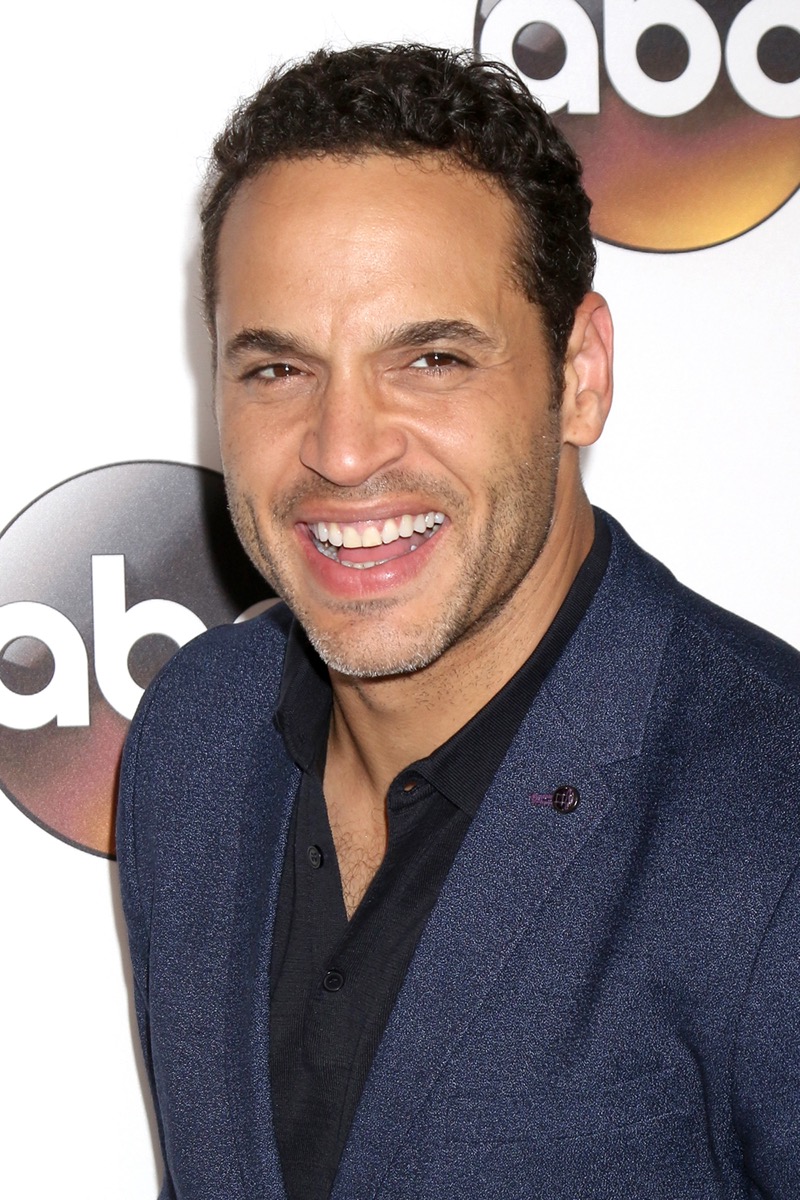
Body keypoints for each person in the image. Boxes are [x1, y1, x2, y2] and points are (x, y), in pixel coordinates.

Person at [117, 43, 800, 1200]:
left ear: (577, 374)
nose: (342, 451)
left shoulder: (769, 808)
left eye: (430, 359)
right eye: (277, 370)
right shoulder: (195, 737)